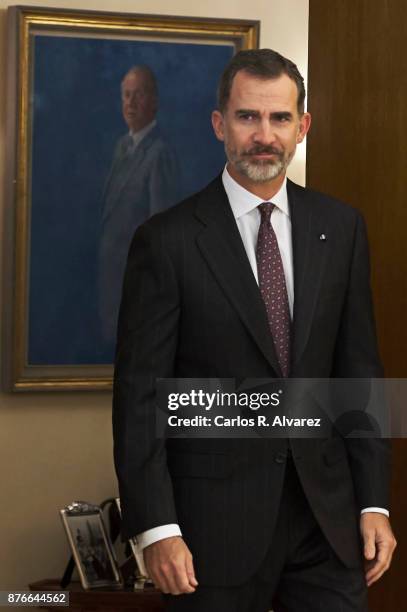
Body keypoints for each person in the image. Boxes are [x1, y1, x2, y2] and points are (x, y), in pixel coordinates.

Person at [112, 49, 396, 611]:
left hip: (328, 525)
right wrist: (156, 528)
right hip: (209, 533)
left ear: (302, 127)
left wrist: (374, 503)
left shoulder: (341, 228)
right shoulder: (166, 241)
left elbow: (359, 373)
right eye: (247, 117)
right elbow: (140, 398)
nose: (264, 135)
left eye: (280, 118)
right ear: (220, 124)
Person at [98, 65, 179, 347]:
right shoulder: (122, 146)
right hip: (111, 279)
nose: (131, 103)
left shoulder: (160, 154)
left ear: (154, 101)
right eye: (126, 95)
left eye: (139, 95)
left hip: (136, 284)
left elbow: (161, 231)